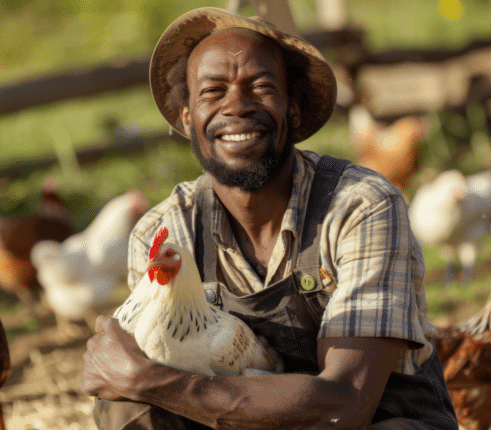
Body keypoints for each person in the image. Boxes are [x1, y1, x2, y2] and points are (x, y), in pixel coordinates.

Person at [80, 7, 458, 430]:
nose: (237, 107)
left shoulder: (360, 207)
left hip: (373, 421)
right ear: (188, 118)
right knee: (127, 411)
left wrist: (147, 378)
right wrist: (141, 384)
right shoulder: (166, 234)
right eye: (213, 91)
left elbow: (346, 403)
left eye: (260, 87)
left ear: (293, 110)